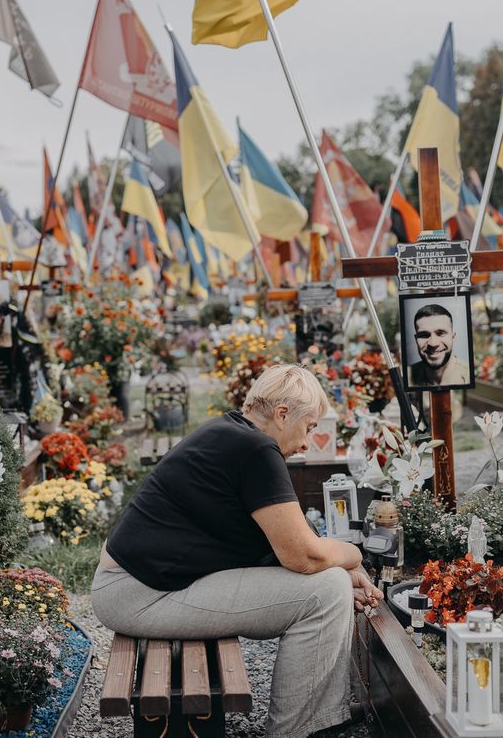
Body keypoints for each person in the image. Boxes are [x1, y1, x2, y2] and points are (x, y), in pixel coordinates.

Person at [92, 365, 378, 738]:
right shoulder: (256, 448)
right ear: (281, 414)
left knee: (331, 582)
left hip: (140, 584)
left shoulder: (230, 432)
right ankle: (298, 729)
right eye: (309, 427)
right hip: (138, 594)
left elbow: (284, 541)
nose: (308, 441)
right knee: (326, 593)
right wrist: (353, 556)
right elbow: (302, 556)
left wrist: (338, 568)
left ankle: (319, 713)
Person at [406, 302, 469, 388]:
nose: (433, 343)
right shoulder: (404, 377)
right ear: (416, 339)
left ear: (453, 337)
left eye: (440, 333)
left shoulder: (469, 375)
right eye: (424, 335)